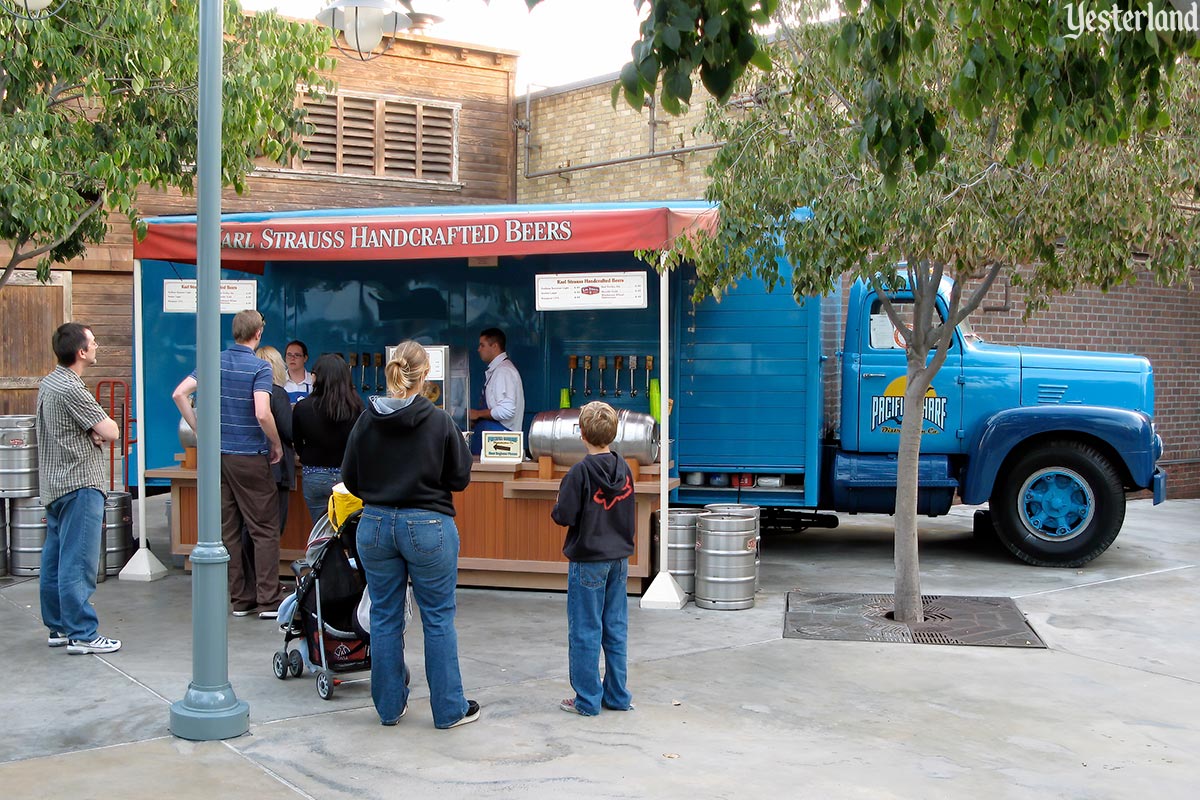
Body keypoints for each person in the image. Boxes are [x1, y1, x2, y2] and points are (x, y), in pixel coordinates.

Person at [341, 340, 477, 729]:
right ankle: (449, 710)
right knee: (437, 617)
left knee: (384, 615)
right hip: (429, 525)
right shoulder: (438, 420)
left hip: (376, 524)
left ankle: (388, 707)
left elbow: (350, 476)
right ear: (425, 375)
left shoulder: (367, 419)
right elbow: (460, 476)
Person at [172, 309, 286, 620]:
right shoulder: (260, 368)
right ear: (258, 334)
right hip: (249, 456)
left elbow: (179, 393)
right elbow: (263, 412)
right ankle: (268, 599)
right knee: (264, 528)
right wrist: (275, 443)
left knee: (229, 529)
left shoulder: (212, 361)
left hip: (216, 458)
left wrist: (200, 431)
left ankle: (240, 599)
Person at [37, 323, 123, 655]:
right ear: (81, 352)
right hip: (80, 483)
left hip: (55, 485)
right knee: (78, 562)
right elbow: (111, 429)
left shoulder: (49, 383)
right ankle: (82, 633)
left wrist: (94, 432)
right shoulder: (72, 389)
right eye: (93, 342)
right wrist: (98, 432)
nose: (98, 346)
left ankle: (59, 626)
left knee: (56, 559)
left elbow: (88, 429)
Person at [550, 401, 636, 716]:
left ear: (582, 433)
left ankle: (587, 699)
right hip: (619, 559)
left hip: (588, 558)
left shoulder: (580, 472)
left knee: (585, 628)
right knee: (615, 626)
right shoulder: (624, 469)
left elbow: (565, 515)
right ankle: (617, 695)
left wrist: (558, 503)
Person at [293, 353, 363, 525]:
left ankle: (322, 553)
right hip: (347, 475)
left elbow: (297, 442)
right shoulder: (357, 407)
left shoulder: (303, 407)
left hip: (314, 474)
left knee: (321, 530)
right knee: (349, 528)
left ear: (318, 377)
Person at [255, 345, 295, 538]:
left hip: (251, 464)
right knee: (274, 526)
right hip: (276, 469)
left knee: (251, 525)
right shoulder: (278, 394)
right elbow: (289, 430)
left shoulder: (250, 391)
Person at [467, 327, 524, 455]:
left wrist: (478, 414)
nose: (479, 349)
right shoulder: (498, 370)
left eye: (482, 345)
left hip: (502, 444)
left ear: (495, 346)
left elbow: (507, 410)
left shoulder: (503, 372)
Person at [283, 339, 314, 404]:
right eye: (289, 355)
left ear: (305, 358)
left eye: (297, 355)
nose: (292, 358)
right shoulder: (279, 381)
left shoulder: (313, 380)